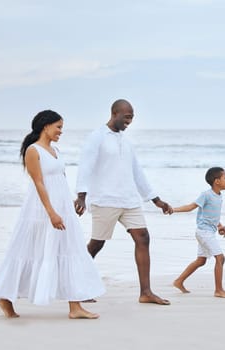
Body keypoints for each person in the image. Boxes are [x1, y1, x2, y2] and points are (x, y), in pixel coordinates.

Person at [0, 110, 104, 319]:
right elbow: (39, 183)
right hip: (40, 210)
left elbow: (58, 180)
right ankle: (4, 297)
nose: (61, 131)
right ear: (45, 126)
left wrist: (68, 204)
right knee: (27, 251)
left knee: (71, 250)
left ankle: (75, 307)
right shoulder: (33, 151)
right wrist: (51, 213)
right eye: (58, 127)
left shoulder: (55, 150)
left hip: (62, 208)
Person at [74, 99, 172, 305]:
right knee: (96, 244)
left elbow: (137, 172)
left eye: (132, 118)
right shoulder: (97, 137)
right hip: (105, 199)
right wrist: (81, 196)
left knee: (143, 238)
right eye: (127, 117)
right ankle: (76, 284)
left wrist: (156, 199)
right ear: (114, 113)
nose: (129, 122)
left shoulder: (126, 142)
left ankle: (146, 292)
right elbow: (85, 166)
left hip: (129, 199)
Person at [172, 167, 225, 298]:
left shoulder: (219, 196)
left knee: (201, 260)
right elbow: (191, 207)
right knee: (220, 258)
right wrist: (173, 209)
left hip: (208, 232)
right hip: (204, 232)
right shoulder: (206, 194)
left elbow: (212, 216)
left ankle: (179, 281)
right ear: (217, 181)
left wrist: (220, 225)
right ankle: (218, 290)